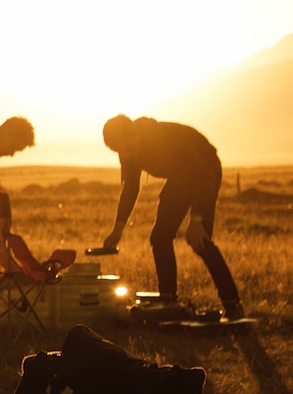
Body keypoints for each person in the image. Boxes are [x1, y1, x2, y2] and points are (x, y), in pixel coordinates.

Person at [97, 115, 244, 321]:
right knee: (160, 238)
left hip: (205, 171)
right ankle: (169, 302)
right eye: (121, 152)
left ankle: (233, 304)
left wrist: (197, 220)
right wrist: (118, 228)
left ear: (136, 135)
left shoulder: (166, 140)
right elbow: (130, 187)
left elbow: (204, 176)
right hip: (179, 178)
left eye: (128, 148)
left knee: (199, 240)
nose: (127, 155)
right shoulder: (126, 149)